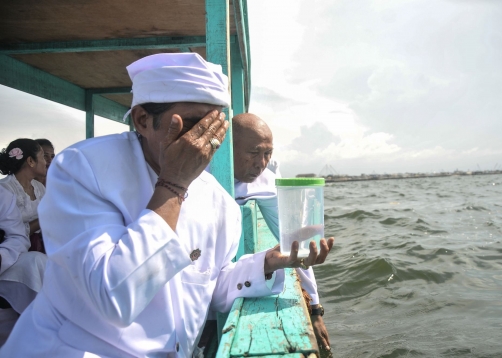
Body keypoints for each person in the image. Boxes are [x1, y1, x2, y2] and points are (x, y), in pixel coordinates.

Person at [0, 53, 334, 357]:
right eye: (190, 125)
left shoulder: (219, 202)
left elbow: (209, 286)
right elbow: (114, 297)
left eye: (213, 127)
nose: (203, 142)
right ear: (143, 120)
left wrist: (267, 263)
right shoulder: (82, 170)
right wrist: (173, 184)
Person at [232, 113, 332, 352]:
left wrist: (315, 309)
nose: (261, 162)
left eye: (268, 154)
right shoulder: (197, 174)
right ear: (227, 147)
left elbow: (292, 243)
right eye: (254, 153)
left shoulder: (265, 182)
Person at [0, 186, 47, 345]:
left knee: (37, 262)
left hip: (4, 267)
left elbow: (17, 236)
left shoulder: (3, 195)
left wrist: (2, 256)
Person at [0, 139, 47, 253]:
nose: (46, 162)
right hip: (12, 254)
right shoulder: (5, 190)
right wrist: (46, 218)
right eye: (43, 157)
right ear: (31, 161)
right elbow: (11, 232)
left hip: (41, 246)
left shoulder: (39, 188)